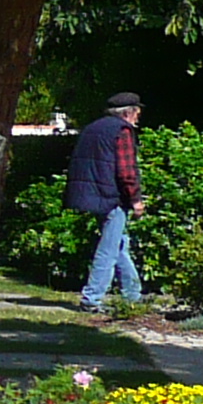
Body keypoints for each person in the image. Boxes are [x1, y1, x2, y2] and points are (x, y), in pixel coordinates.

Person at [68, 91, 148, 310]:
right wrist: (136, 199)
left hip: (93, 195)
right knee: (109, 250)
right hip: (111, 197)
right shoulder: (122, 131)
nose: (138, 117)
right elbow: (126, 171)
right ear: (129, 113)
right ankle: (91, 299)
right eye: (137, 112)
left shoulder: (94, 128)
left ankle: (132, 295)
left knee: (119, 244)